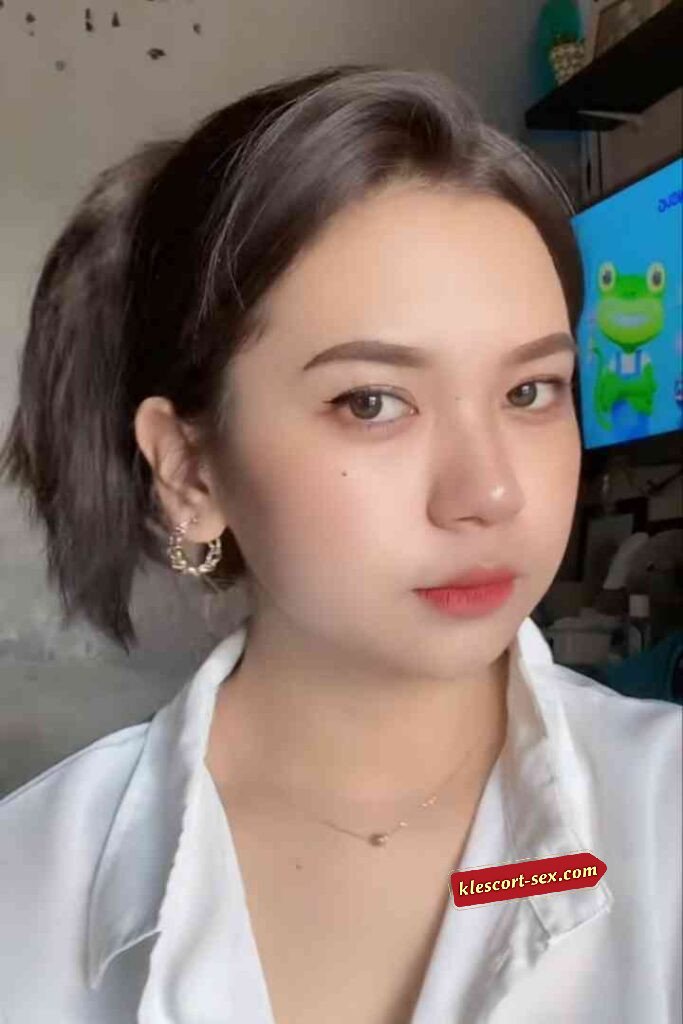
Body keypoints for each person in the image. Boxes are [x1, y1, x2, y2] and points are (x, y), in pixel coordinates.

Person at [0, 64, 680, 1024]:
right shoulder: (27, 888)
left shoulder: (664, 815)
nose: (488, 492)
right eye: (372, 402)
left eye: (530, 392)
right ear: (191, 471)